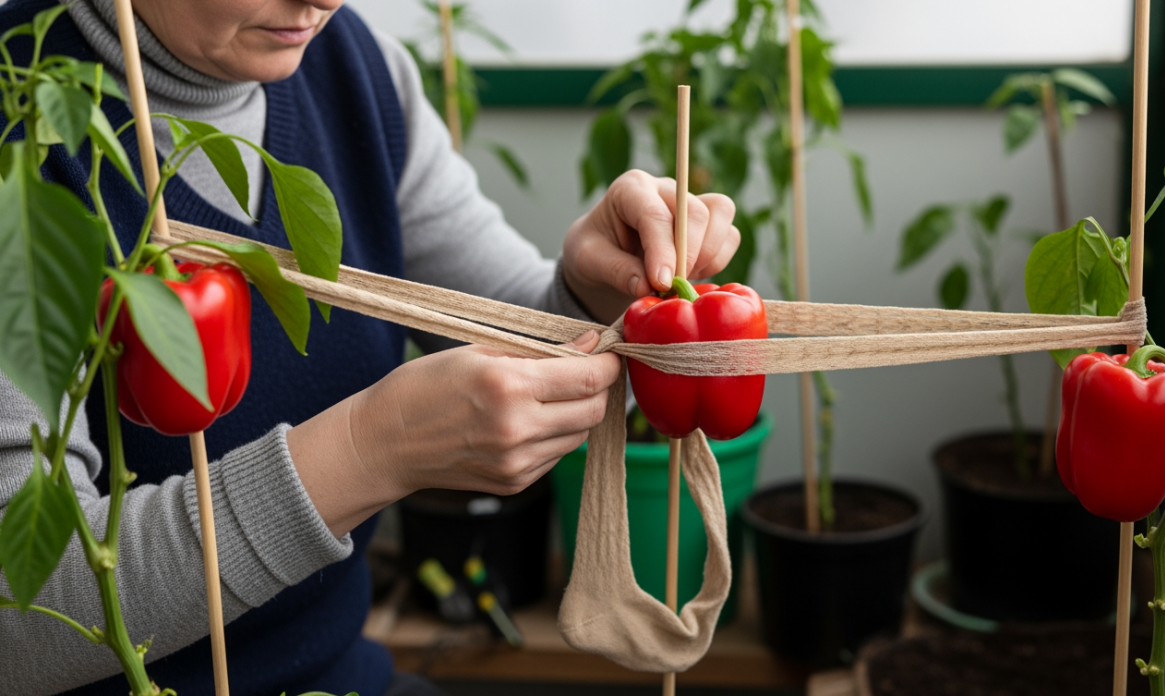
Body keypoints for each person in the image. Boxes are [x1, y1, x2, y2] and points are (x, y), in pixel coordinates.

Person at [0, 0, 741, 694]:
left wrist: (590, 293)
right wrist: (364, 453)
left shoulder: (355, 69)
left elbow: (516, 321)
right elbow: (14, 617)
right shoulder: (19, 135)